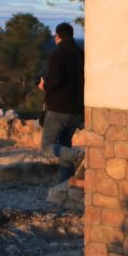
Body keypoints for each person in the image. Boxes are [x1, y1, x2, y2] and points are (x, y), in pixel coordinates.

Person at [39, 22, 85, 181]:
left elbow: (56, 81)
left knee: (46, 147)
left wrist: (44, 85)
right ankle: (65, 184)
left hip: (59, 110)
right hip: (77, 110)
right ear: (71, 35)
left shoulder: (57, 55)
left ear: (57, 36)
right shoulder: (82, 54)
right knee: (64, 146)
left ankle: (78, 155)